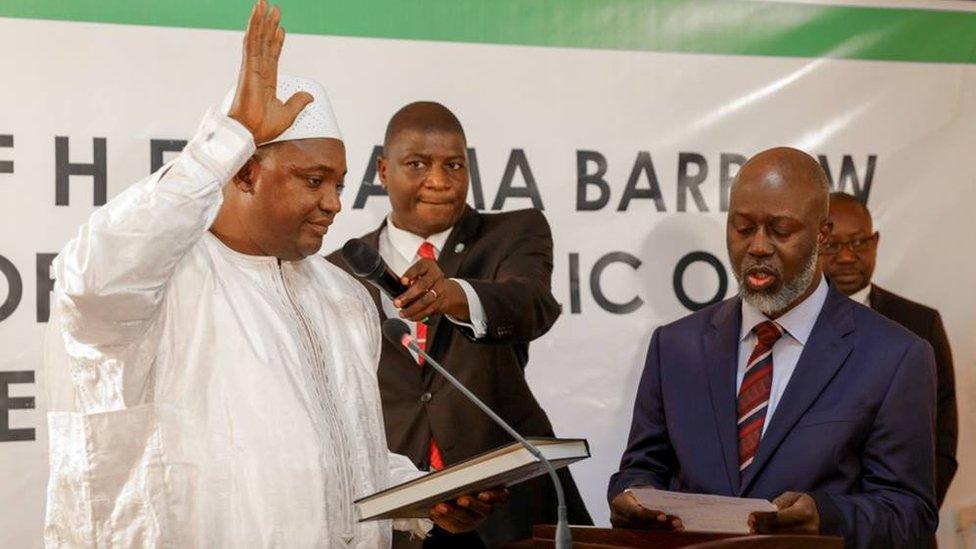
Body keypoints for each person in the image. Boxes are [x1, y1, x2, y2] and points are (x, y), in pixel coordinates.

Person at [43, 3, 504, 547]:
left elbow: (346, 450)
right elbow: (94, 280)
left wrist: (424, 496)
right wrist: (226, 137)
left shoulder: (341, 296)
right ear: (243, 172)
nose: (334, 203)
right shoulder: (159, 285)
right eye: (313, 180)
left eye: (339, 183)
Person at [607, 147, 938, 548]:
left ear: (822, 234)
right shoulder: (674, 346)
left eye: (781, 231)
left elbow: (910, 515)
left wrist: (825, 516)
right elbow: (641, 468)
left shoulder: (895, 356)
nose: (758, 247)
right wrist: (632, 498)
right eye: (742, 228)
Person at [327, 102, 591, 547]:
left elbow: (532, 304)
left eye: (454, 165)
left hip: (509, 508)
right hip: (404, 512)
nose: (439, 181)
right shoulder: (340, 270)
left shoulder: (513, 232)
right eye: (418, 164)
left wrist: (456, 294)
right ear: (382, 170)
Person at [822, 191, 957, 507]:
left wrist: (905, 519)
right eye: (833, 245)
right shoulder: (786, 324)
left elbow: (942, 442)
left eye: (859, 242)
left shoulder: (921, 325)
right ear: (814, 247)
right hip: (813, 528)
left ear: (876, 242)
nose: (846, 256)